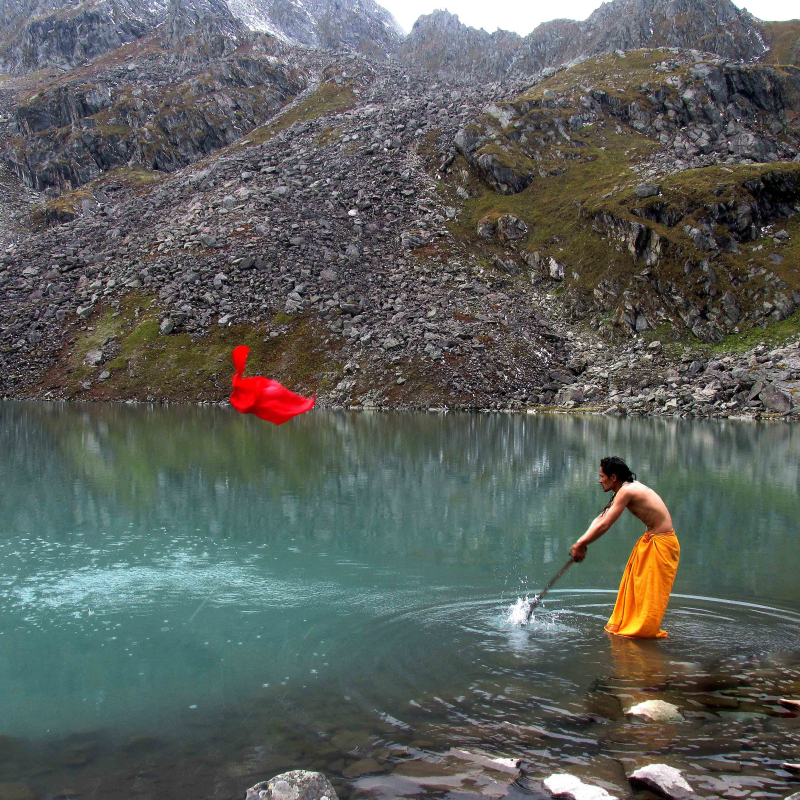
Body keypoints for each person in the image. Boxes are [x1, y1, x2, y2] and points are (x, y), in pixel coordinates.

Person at [570, 457, 680, 639]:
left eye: (601, 476)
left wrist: (582, 544)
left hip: (663, 544)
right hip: (654, 539)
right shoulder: (625, 487)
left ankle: (642, 631)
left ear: (613, 477)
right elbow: (601, 517)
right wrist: (580, 542)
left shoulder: (627, 491)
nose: (599, 480)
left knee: (648, 592)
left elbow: (605, 524)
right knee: (637, 588)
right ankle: (634, 627)